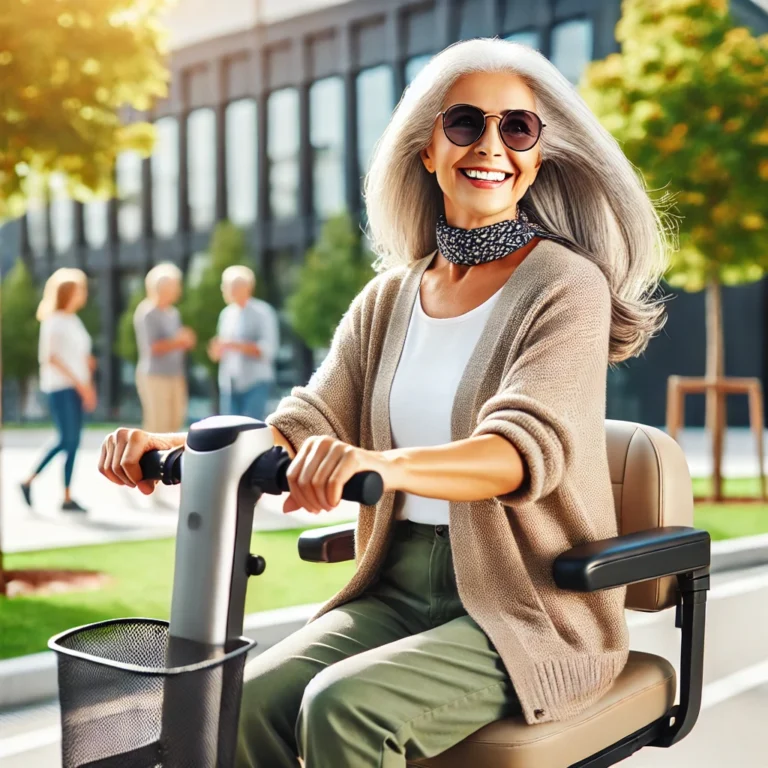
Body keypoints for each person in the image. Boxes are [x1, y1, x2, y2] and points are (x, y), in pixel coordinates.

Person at [98, 38, 670, 768]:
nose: (491, 145)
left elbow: (518, 451)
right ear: (427, 149)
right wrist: (171, 447)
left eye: (517, 128)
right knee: (239, 703)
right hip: (396, 587)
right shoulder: (389, 298)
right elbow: (305, 422)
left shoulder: (565, 285)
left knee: (343, 710)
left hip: (528, 606)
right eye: (465, 123)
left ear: (538, 154)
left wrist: (381, 464)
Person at [21, 268, 97, 513]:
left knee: (73, 442)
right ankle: (29, 480)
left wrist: (89, 386)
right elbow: (50, 357)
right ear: (68, 293)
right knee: (66, 438)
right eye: (80, 290)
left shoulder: (74, 321)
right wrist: (80, 384)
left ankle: (66, 496)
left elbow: (83, 357)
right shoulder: (53, 321)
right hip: (61, 388)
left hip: (77, 388)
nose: (83, 294)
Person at [207, 265, 280, 421]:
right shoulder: (226, 314)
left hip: (255, 383)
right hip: (229, 384)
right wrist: (217, 350)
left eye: (229, 286)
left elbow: (268, 349)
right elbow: (221, 351)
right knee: (229, 431)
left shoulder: (263, 312)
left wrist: (233, 345)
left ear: (247, 288)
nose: (224, 290)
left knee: (251, 430)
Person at [133, 263, 196, 434]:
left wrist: (185, 341)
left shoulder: (173, 313)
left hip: (176, 374)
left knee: (175, 423)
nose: (178, 289)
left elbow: (175, 343)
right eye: (174, 285)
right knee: (158, 425)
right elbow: (152, 347)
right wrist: (178, 341)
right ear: (161, 288)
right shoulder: (147, 312)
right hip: (154, 376)